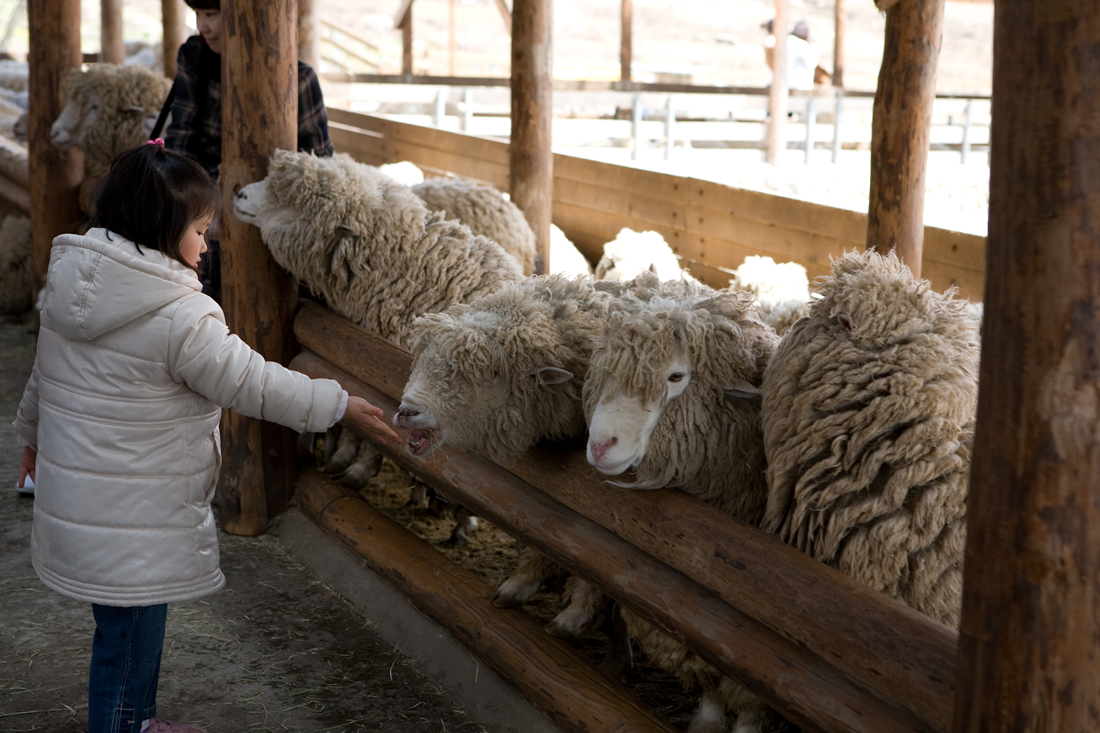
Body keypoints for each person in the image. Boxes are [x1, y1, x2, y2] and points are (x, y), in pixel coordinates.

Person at [13, 141, 399, 733]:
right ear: (164, 231)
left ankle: (137, 719)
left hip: (89, 504)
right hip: (139, 516)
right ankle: (121, 725)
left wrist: (31, 439)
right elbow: (254, 383)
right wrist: (336, 403)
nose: (207, 243)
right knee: (128, 639)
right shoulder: (180, 316)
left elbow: (44, 378)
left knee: (124, 629)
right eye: (201, 230)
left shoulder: (69, 287)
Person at [163, 0, 335, 299]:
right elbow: (181, 136)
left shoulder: (301, 79)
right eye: (199, 15)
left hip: (272, 204)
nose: (203, 26)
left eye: (212, 15)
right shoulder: (194, 57)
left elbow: (318, 164)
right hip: (206, 197)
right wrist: (194, 202)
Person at [762, 19, 820, 91]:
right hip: (800, 88)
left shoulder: (785, 42)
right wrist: (813, 47)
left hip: (784, 86)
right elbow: (812, 63)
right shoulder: (800, 44)